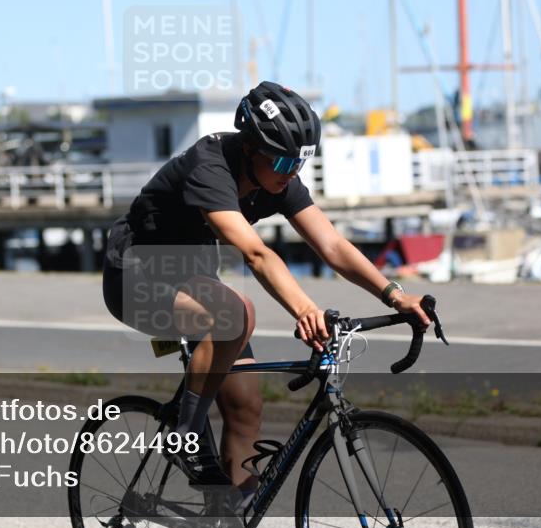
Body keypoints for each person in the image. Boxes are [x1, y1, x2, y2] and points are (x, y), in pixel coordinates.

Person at [101, 81, 432, 503]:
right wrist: (305, 309)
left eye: (299, 163)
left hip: (193, 279)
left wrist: (394, 294)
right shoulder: (210, 165)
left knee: (245, 408)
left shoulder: (277, 178)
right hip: (134, 277)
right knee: (235, 313)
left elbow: (331, 245)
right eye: (281, 161)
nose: (290, 172)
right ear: (250, 149)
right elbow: (256, 254)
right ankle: (183, 438)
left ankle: (225, 522)